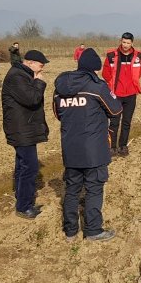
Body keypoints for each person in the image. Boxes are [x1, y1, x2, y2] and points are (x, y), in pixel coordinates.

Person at [53, 48, 122, 241]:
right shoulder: (97, 87)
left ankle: (70, 231)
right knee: (93, 188)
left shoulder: (60, 88)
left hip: (70, 148)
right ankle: (93, 230)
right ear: (95, 69)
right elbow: (116, 110)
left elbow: (58, 114)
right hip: (94, 150)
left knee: (72, 189)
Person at [1, 50, 50, 219]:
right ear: (30, 63)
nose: (42, 69)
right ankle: (23, 206)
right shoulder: (17, 76)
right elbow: (32, 99)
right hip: (21, 130)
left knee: (23, 165)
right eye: (40, 65)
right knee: (30, 167)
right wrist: (39, 83)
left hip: (24, 128)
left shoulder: (21, 74)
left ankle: (21, 196)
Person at [103, 32, 141, 157]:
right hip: (116, 94)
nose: (125, 45)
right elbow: (106, 73)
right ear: (121, 41)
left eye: (128, 43)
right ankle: (112, 147)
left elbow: (138, 72)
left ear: (132, 43)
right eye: (123, 42)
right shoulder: (111, 55)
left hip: (131, 94)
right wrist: (113, 85)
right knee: (114, 121)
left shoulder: (137, 56)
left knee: (126, 121)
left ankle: (123, 146)